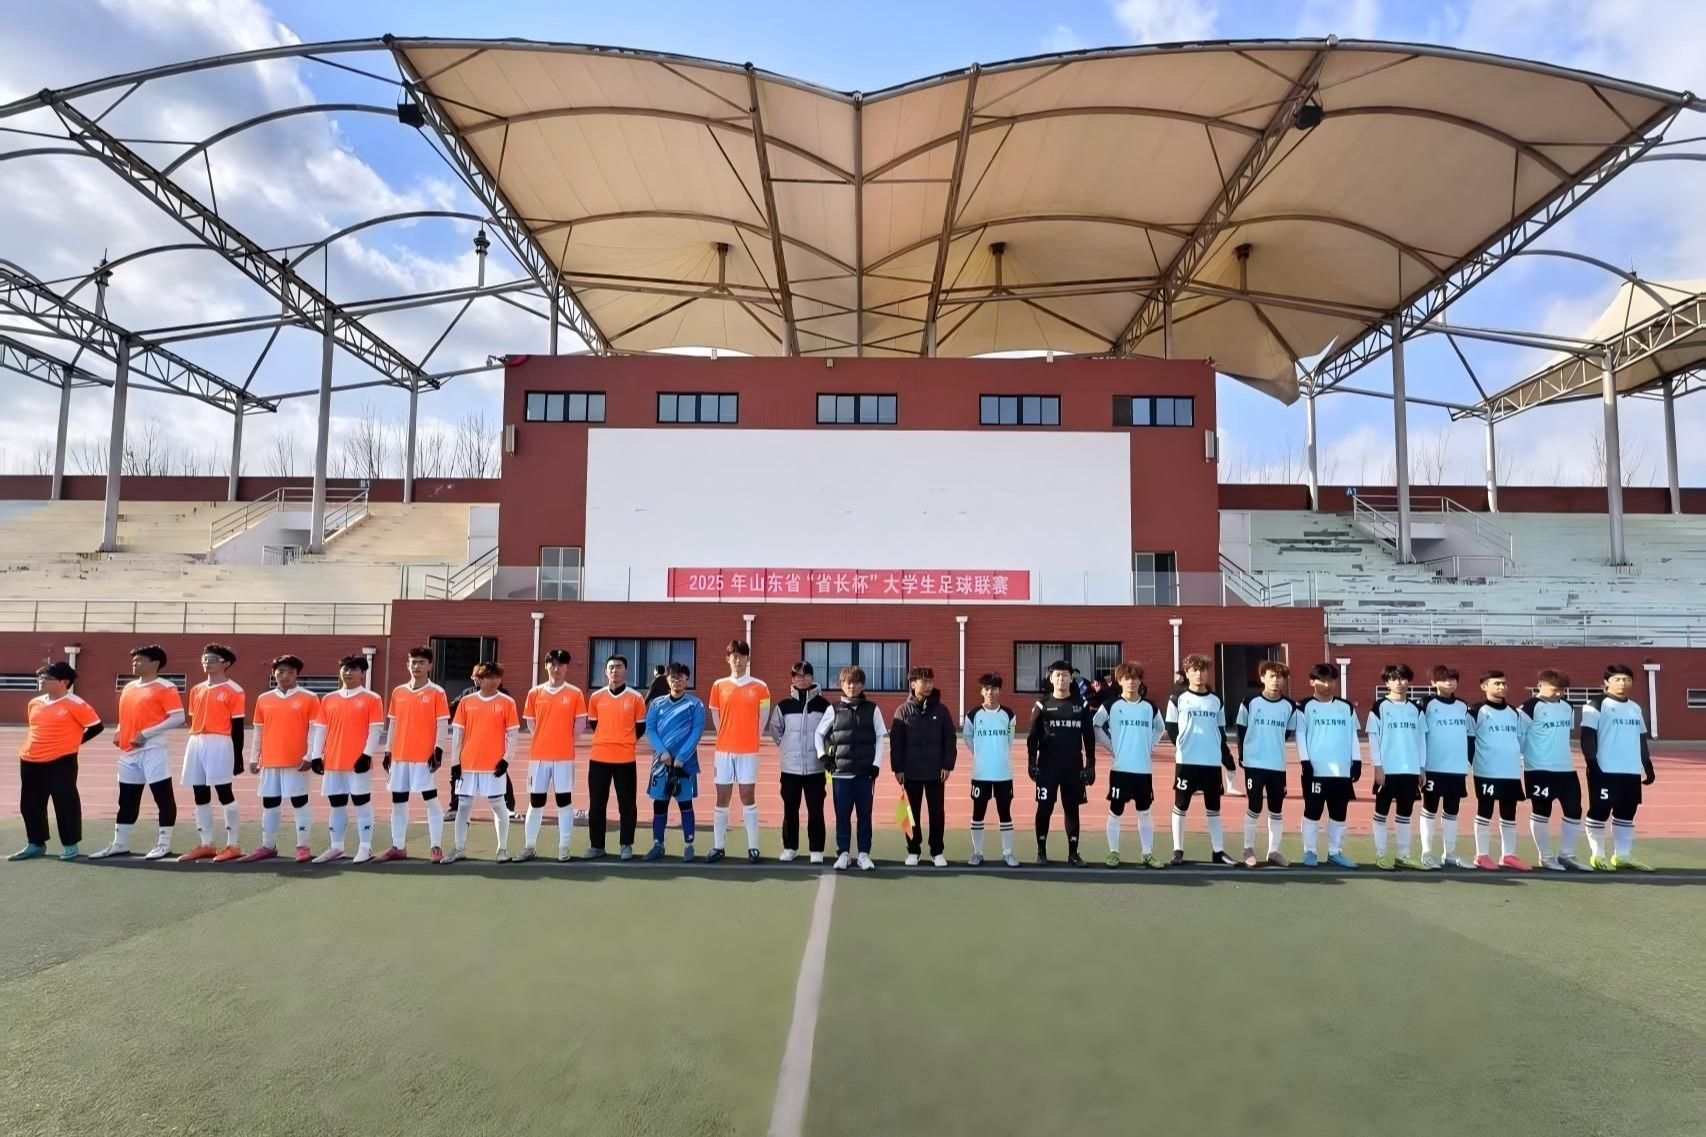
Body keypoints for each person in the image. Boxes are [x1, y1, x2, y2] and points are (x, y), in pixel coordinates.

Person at [89, 644, 182, 860]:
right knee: (127, 799)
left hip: (154, 750)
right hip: (129, 751)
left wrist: (146, 734)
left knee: (162, 797)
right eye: (133, 660)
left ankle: (163, 844)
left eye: (140, 660)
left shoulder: (166, 687)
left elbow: (177, 717)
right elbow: (126, 715)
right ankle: (119, 844)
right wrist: (119, 731)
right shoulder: (129, 687)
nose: (134, 663)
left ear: (155, 663)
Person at [10, 662, 101, 861]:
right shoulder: (35, 703)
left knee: (65, 803)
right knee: (30, 804)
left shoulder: (76, 704)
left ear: (64, 682)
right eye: (41, 677)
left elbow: (96, 727)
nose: (42, 681)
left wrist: (73, 742)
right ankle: (35, 843)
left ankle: (70, 844)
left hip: (61, 761)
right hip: (30, 760)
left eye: (48, 678)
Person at [308, 655, 387, 864]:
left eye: (353, 668)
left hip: (357, 763)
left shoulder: (372, 698)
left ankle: (365, 847)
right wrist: (316, 756)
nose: (348, 672)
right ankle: (337, 847)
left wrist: (367, 755)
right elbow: (321, 729)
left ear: (363, 673)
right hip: (333, 762)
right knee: (336, 804)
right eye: (345, 668)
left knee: (361, 802)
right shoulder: (329, 699)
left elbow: (375, 729)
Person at [239, 655, 318, 863]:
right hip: (270, 760)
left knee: (299, 802)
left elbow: (315, 730)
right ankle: (268, 845)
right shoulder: (264, 699)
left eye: (290, 672)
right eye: (281, 671)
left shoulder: (309, 698)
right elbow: (259, 730)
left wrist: (310, 755)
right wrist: (254, 757)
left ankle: (303, 846)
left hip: (297, 762)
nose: (285, 675)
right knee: (270, 803)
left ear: (297, 674)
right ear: (274, 673)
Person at [1580, 663, 1657, 872]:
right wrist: (1592, 764)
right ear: (1606, 682)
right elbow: (1587, 737)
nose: (1623, 683)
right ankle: (1597, 855)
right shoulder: (1596, 704)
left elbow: (1641, 738)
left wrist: (1647, 764)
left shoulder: (1635, 708)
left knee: (1626, 812)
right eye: (1618, 679)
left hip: (1630, 770)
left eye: (1627, 679)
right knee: (1600, 810)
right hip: (1605, 769)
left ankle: (1622, 856)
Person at [1163, 654, 1238, 866]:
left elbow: (1220, 731)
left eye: (1202, 670)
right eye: (1194, 670)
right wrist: (1182, 746)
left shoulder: (1216, 701)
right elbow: (1171, 727)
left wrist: (1225, 757)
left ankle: (1218, 852)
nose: (1199, 674)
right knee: (1181, 805)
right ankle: (1178, 850)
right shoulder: (1177, 699)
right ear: (1187, 673)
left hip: (1211, 762)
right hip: (1186, 762)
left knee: (1213, 807)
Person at [379, 645, 451, 863]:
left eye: (421, 662)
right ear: (407, 664)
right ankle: (398, 846)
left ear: (430, 665)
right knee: (398, 801)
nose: (417, 666)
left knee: (430, 800)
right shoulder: (398, 692)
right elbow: (393, 723)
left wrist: (438, 750)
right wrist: (388, 750)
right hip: (400, 756)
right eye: (413, 662)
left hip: (423, 757)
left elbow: (442, 724)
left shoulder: (437, 692)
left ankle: (436, 846)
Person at [444, 661, 521, 863]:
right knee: (463, 806)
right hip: (468, 765)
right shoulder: (466, 702)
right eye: (489, 677)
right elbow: (458, 734)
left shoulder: (507, 702)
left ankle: (502, 849)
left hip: (494, 766)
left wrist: (506, 760)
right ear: (479, 680)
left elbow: (513, 735)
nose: (494, 681)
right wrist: (455, 762)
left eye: (497, 677)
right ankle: (459, 848)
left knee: (499, 805)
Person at [177, 644, 246, 864]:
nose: (207, 662)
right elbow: (193, 717)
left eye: (213, 659)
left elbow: (238, 727)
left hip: (220, 741)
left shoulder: (234, 690)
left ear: (226, 663)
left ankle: (233, 845)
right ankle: (207, 844)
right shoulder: (196, 689)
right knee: (199, 792)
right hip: (196, 740)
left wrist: (238, 756)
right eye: (205, 658)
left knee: (224, 792)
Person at [1094, 661, 1165, 868]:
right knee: (1116, 810)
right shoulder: (1111, 705)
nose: (1131, 682)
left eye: (1135, 678)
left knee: (1144, 811)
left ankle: (1147, 853)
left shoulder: (1149, 707)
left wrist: (1150, 745)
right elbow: (1095, 725)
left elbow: (1160, 728)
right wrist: (1111, 746)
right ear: (1119, 681)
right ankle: (1113, 852)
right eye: (1126, 678)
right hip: (1120, 769)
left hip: (1143, 769)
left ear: (1140, 681)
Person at [814, 666, 884, 871]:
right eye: (848, 683)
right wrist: (823, 756)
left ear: (862, 685)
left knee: (864, 816)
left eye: (856, 682)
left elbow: (881, 737)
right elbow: (819, 733)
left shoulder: (873, 709)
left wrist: (876, 764)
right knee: (842, 815)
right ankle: (843, 853)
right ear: (841, 685)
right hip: (841, 774)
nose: (852, 686)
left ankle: (863, 854)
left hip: (865, 774)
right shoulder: (833, 709)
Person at [707, 639, 771, 863]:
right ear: (728, 659)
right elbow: (716, 716)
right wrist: (726, 735)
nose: (738, 660)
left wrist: (750, 738)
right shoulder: (718, 686)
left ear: (748, 659)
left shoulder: (760, 687)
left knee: (747, 797)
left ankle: (753, 848)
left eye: (742, 656)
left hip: (748, 751)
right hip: (723, 751)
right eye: (734, 656)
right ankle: (718, 846)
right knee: (722, 798)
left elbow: (763, 718)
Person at [1520, 669, 1590, 871]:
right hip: (1539, 769)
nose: (1559, 693)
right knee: (1542, 810)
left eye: (1562, 690)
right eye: (1555, 689)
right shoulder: (1529, 707)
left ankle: (1567, 854)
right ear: (1540, 685)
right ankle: (1545, 856)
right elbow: (1520, 737)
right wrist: (1525, 759)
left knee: (1574, 809)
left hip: (1566, 769)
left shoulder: (1567, 706)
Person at [520, 648, 586, 862]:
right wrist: (542, 739)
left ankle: (564, 847)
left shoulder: (575, 693)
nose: (557, 669)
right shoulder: (535, 693)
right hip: (539, 757)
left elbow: (580, 723)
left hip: (564, 757)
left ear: (566, 667)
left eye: (561, 664)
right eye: (553, 664)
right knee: (536, 802)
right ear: (546, 665)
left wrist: (566, 742)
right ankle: (529, 846)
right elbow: (531, 722)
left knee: (564, 801)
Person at [1028, 659, 1095, 866]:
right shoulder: (1042, 704)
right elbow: (1032, 736)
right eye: (1057, 675)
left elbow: (1089, 736)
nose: (1061, 679)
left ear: (1071, 678)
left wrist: (1091, 764)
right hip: (1047, 767)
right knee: (1045, 807)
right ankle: (1041, 851)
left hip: (1073, 767)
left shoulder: (1081, 705)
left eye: (1065, 675)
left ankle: (1073, 853)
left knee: (1072, 809)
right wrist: (1032, 762)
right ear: (1051, 678)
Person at [1294, 662, 1360, 869]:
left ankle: (1335, 852)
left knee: (1339, 812)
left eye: (1331, 680)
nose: (1327, 684)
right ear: (1312, 682)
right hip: (1316, 770)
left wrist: (1357, 761)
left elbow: (1353, 735)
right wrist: (1305, 762)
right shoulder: (1304, 707)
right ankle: (1310, 851)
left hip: (1341, 770)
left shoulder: (1346, 707)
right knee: (1312, 811)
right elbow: (1300, 735)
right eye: (1322, 680)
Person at [891, 665, 956, 867]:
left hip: (936, 773)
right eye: (924, 681)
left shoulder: (942, 711)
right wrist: (898, 769)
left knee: (937, 813)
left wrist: (947, 765)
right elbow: (896, 744)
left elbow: (950, 740)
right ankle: (913, 850)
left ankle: (937, 851)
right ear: (913, 684)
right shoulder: (902, 711)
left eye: (930, 681)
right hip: (910, 773)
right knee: (910, 813)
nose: (928, 685)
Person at [1233, 659, 1295, 868]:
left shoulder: (1289, 706)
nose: (1276, 680)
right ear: (1262, 678)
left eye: (1280, 677)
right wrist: (1243, 755)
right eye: (1272, 676)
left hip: (1277, 765)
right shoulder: (1249, 702)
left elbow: (1287, 732)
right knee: (1255, 805)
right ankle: (1248, 848)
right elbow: (1241, 729)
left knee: (1276, 809)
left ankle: (1273, 851)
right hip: (1254, 763)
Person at [1367, 664, 1428, 871]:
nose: (1399, 683)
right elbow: (1373, 738)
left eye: (1403, 679)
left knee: (1405, 814)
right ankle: (1381, 855)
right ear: (1387, 683)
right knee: (1381, 813)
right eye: (1394, 679)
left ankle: (1403, 855)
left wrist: (1421, 768)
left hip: (1410, 771)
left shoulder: (1416, 710)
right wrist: (1378, 766)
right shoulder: (1379, 707)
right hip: (1388, 771)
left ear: (1409, 681)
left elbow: (1421, 740)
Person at [585, 654, 647, 859]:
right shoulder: (596, 697)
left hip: (625, 759)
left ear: (626, 671)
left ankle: (626, 845)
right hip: (599, 758)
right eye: (611, 667)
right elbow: (594, 724)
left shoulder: (636, 698)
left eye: (619, 666)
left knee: (627, 804)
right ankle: (597, 846)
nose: (614, 670)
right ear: (605, 671)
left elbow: (640, 727)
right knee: (596, 804)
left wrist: (624, 741)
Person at [767, 661, 830, 864]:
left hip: (816, 768)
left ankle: (816, 850)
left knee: (816, 810)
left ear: (812, 678)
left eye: (806, 675)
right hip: (790, 769)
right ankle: (790, 847)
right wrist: (786, 746)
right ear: (793, 679)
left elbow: (830, 733)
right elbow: (775, 730)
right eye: (798, 676)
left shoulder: (824, 706)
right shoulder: (784, 706)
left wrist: (823, 752)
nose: (802, 679)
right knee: (790, 810)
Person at [1469, 669, 1530, 872]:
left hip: (1510, 771)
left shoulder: (1514, 712)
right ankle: (1481, 855)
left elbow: (1520, 740)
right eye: (1497, 683)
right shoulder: (1476, 711)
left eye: (1503, 683)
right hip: (1487, 770)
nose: (1502, 687)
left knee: (1509, 813)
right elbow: (1469, 739)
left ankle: (1508, 855)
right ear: (1484, 686)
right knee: (1485, 811)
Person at [644, 661, 705, 861]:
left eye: (680, 676)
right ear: (667, 679)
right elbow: (650, 729)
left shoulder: (695, 704)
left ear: (687, 679)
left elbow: (697, 731)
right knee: (659, 805)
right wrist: (663, 753)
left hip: (685, 765)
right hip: (660, 765)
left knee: (685, 804)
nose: (676, 680)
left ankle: (689, 845)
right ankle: (658, 845)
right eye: (673, 677)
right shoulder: (657, 704)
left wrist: (681, 757)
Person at [1417, 665, 1474, 869]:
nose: (1449, 683)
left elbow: (1469, 735)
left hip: (1456, 769)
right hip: (1433, 767)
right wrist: (1421, 767)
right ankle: (1426, 852)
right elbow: (1419, 735)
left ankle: (1449, 853)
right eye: (1444, 679)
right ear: (1433, 683)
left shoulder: (1462, 706)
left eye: (1453, 679)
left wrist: (1468, 761)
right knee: (1430, 808)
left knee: (1452, 810)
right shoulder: (1426, 704)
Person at [963, 673, 1019, 867]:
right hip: (981, 774)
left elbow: (1010, 741)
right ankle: (977, 853)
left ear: (999, 690)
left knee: (1005, 813)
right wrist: (980, 753)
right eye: (986, 689)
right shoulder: (973, 715)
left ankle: (1008, 853)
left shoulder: (1009, 715)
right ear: (981, 691)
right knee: (978, 814)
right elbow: (967, 738)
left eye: (994, 688)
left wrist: (998, 754)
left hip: (1003, 774)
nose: (990, 692)